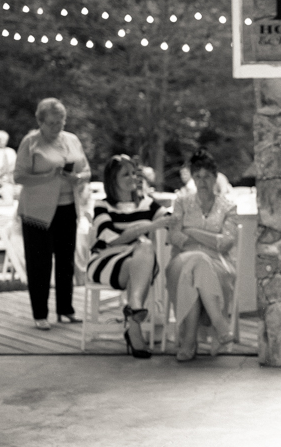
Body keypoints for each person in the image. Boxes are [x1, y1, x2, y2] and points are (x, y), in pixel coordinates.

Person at [14, 98, 91, 331]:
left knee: (66, 261)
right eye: (52, 123)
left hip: (68, 207)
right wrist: (47, 177)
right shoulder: (30, 142)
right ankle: (40, 313)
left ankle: (65, 309)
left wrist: (78, 178)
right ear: (40, 122)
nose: (58, 127)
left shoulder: (72, 140)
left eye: (61, 121)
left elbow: (86, 170)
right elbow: (18, 176)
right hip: (37, 212)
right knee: (40, 263)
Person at [87, 154, 174, 358]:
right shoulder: (103, 206)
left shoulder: (146, 203)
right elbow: (112, 239)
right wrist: (147, 227)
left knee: (144, 248)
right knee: (143, 248)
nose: (133, 178)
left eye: (134, 173)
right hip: (107, 261)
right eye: (126, 174)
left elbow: (168, 218)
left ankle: (134, 311)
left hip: (138, 262)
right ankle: (135, 315)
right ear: (112, 180)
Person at [166, 148, 238, 362]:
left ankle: (188, 341)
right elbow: (174, 237)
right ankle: (220, 324)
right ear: (193, 178)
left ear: (216, 177)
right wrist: (209, 239)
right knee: (196, 261)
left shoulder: (228, 206)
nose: (203, 181)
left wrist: (192, 232)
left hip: (218, 264)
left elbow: (226, 243)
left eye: (207, 176)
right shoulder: (181, 202)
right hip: (181, 261)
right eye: (198, 176)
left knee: (197, 265)